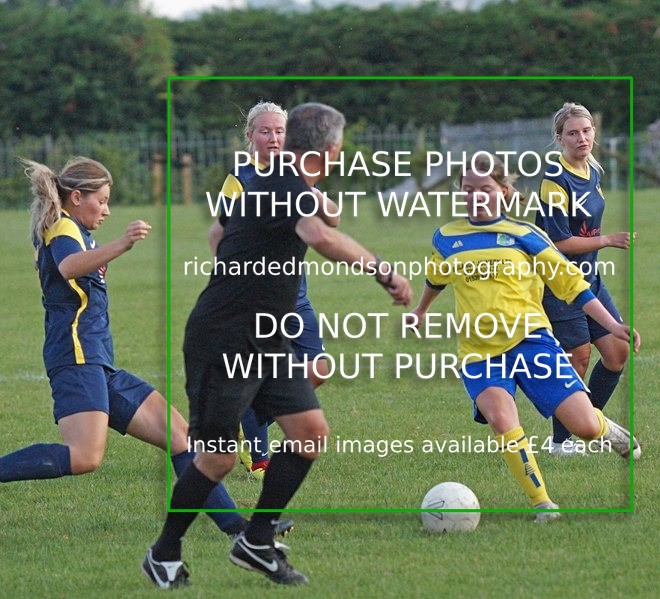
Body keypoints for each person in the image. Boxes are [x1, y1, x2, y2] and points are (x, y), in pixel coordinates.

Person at [142, 102, 412, 588]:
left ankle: (257, 541)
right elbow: (319, 237)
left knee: (309, 431)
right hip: (225, 339)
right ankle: (163, 552)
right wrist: (383, 270)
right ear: (330, 150)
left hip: (268, 335)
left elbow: (218, 231)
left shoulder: (268, 180)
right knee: (219, 458)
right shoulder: (285, 183)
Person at [0, 156, 249, 538]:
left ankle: (238, 530)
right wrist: (123, 243)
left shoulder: (72, 227)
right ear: (77, 197)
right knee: (85, 456)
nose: (107, 209)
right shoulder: (64, 227)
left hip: (97, 359)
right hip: (76, 355)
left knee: (180, 436)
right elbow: (68, 267)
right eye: (101, 200)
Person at [407, 153, 640, 520]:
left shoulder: (527, 236)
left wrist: (611, 325)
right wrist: (420, 311)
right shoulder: (446, 236)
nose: (475, 197)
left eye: (484, 189)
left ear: (504, 191)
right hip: (479, 353)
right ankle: (543, 504)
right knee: (502, 418)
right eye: (467, 190)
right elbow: (436, 277)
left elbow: (571, 286)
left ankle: (606, 429)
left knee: (584, 427)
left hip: (532, 343)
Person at [209, 101, 339, 480]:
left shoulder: (299, 172)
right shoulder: (240, 177)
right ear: (250, 136)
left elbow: (332, 215)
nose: (274, 138)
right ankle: (260, 458)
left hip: (295, 295)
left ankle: (248, 415)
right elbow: (222, 234)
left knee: (318, 368)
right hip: (254, 299)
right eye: (265, 131)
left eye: (280, 131)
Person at [536, 102, 638, 456]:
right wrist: (607, 240)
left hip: (588, 277)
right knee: (577, 356)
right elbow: (560, 242)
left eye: (587, 131)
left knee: (617, 351)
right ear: (559, 138)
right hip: (558, 283)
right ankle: (561, 442)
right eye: (573, 133)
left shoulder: (592, 170)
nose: (582, 138)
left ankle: (592, 422)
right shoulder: (554, 179)